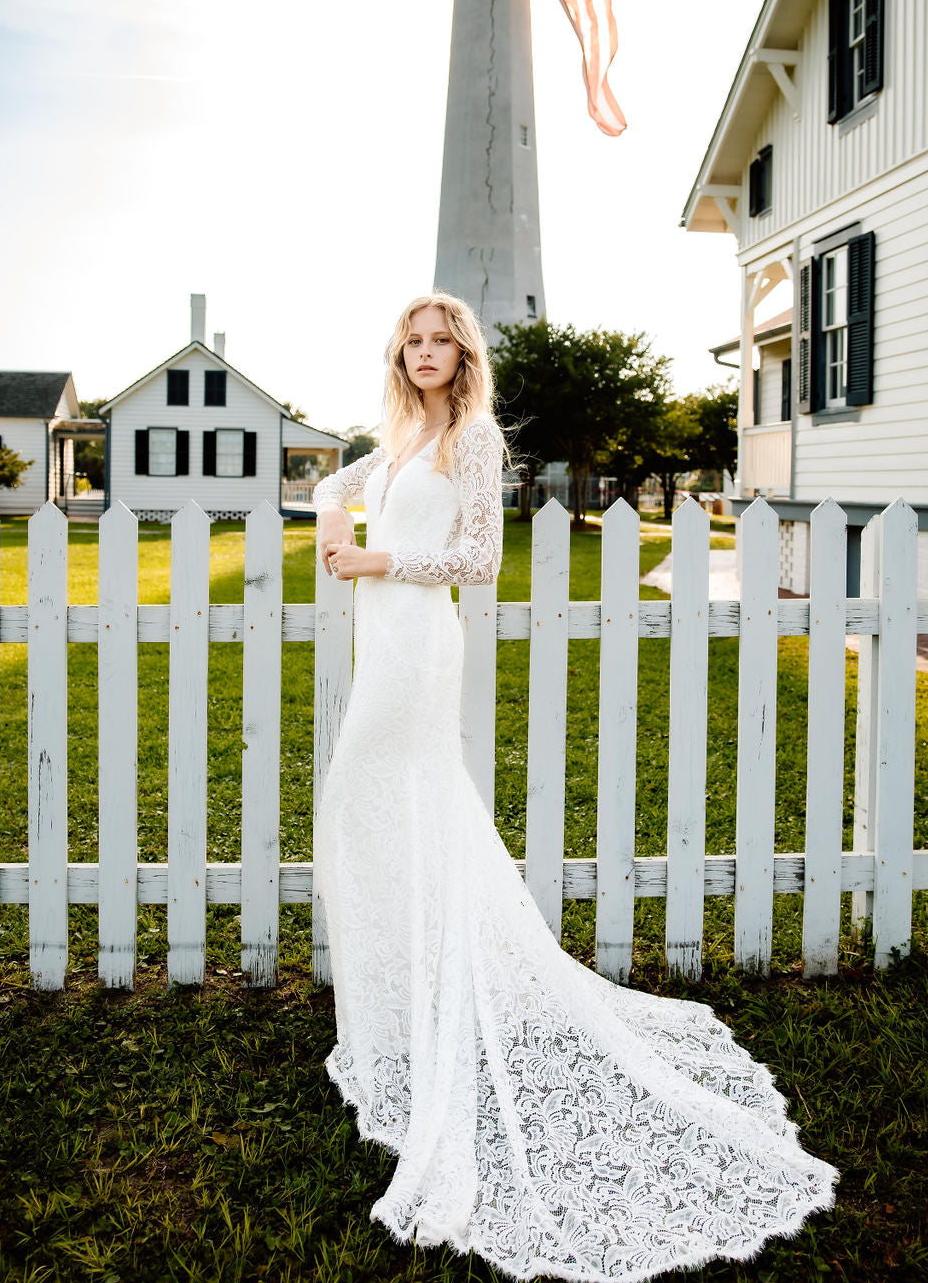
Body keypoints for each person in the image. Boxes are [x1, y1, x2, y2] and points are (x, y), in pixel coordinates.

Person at [311, 291, 837, 1281]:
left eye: (440, 341)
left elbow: (476, 559)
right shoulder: (398, 437)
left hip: (417, 642)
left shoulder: (470, 438)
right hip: (379, 638)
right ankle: (413, 992)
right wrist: (336, 523)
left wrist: (373, 555)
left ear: (463, 355)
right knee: (382, 813)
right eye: (411, 341)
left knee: (383, 803)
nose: (424, 353)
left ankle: (442, 989)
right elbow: (331, 484)